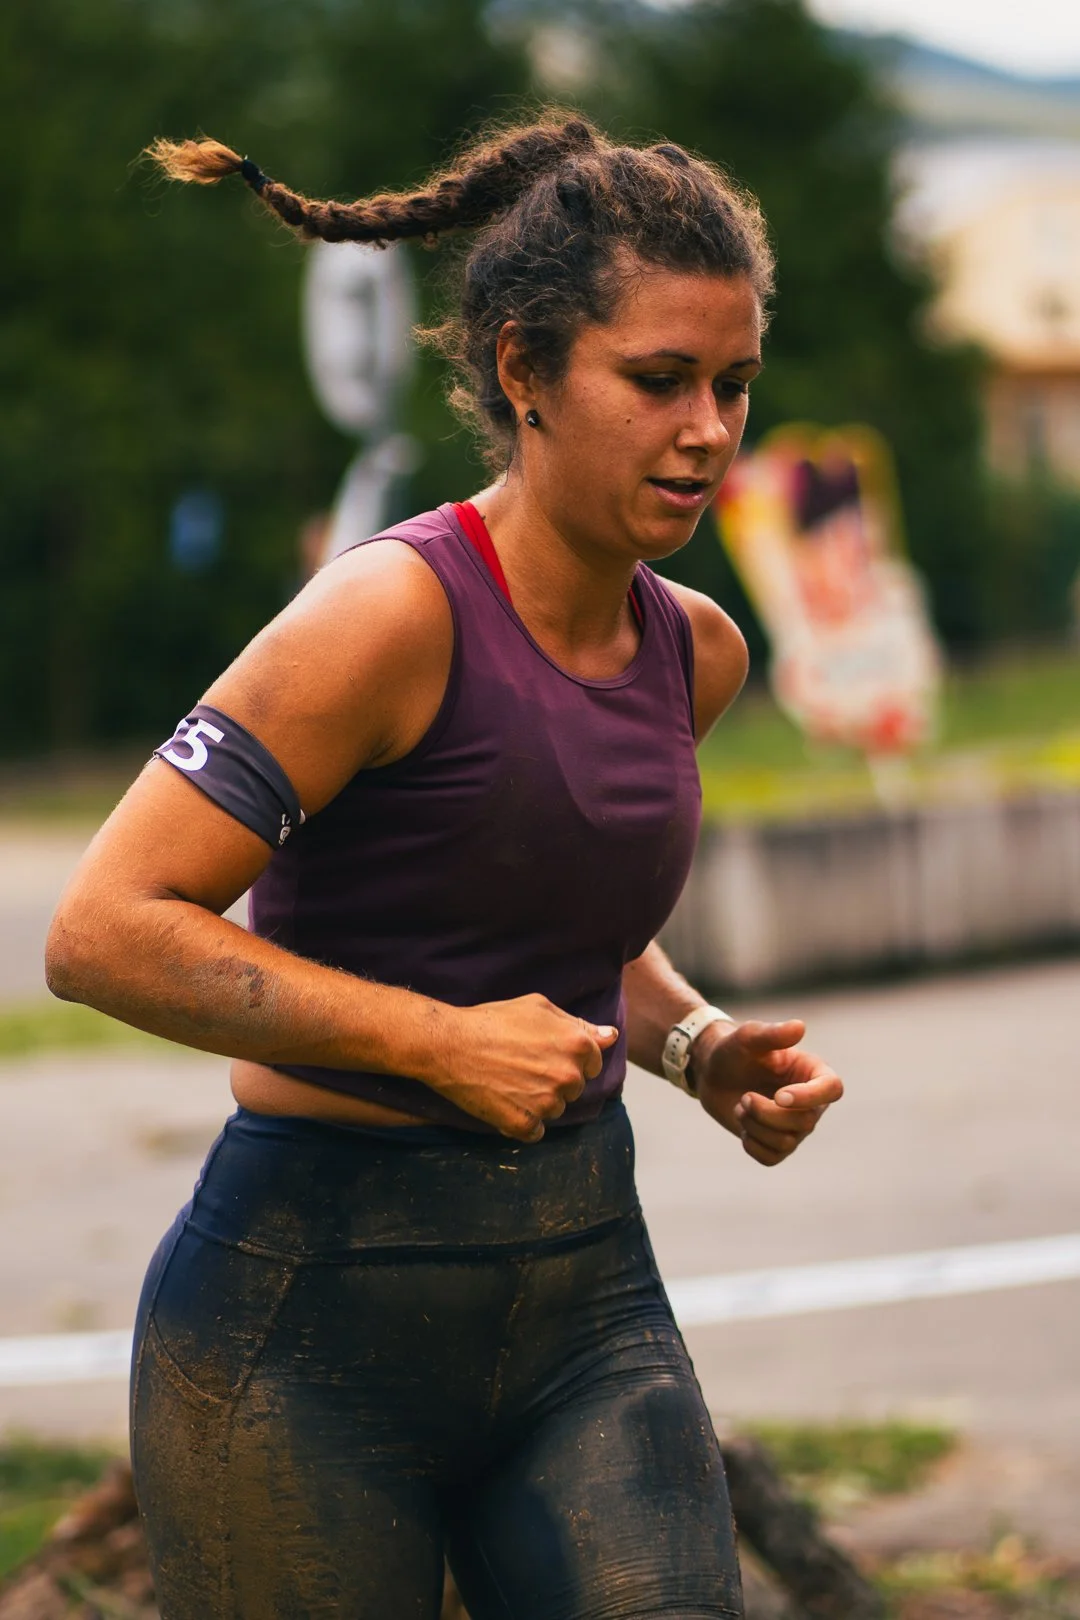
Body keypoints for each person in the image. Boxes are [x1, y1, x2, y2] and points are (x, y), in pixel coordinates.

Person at [46, 115, 844, 1620]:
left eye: (732, 383)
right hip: (301, 1321)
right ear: (524, 372)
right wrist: (431, 1042)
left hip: (584, 1301)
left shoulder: (699, 653)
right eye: (659, 380)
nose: (709, 431)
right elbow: (101, 931)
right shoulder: (387, 620)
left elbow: (557, 919)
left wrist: (695, 1043)